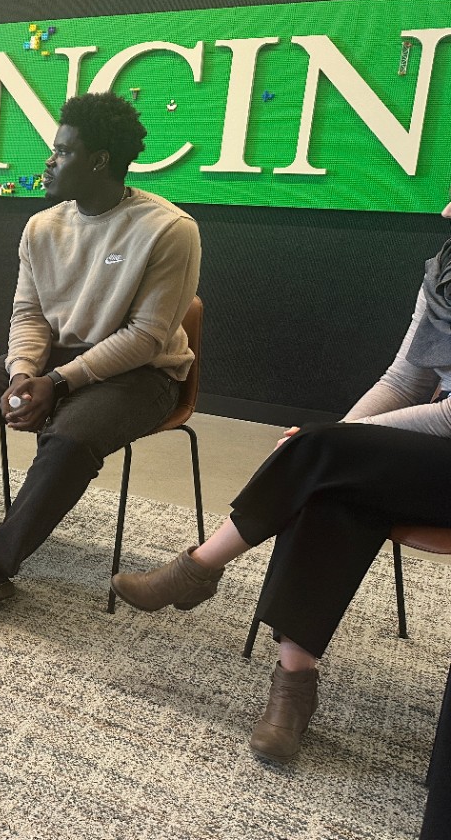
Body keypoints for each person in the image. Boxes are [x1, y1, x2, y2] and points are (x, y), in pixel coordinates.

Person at [110, 191, 451, 764]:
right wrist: (338, 445)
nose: (444, 211)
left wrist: (335, 445)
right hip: (428, 451)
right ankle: (294, 685)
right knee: (328, 483)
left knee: (324, 460)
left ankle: (198, 567)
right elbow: (405, 379)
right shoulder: (444, 271)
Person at [0, 92, 201, 616]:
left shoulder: (168, 230)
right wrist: (23, 373)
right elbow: (28, 315)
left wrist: (60, 382)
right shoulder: (42, 227)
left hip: (144, 373)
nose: (49, 161)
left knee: (70, 437)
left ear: (100, 160)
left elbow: (147, 336)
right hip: (53, 360)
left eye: (63, 151)